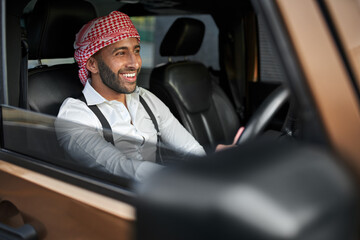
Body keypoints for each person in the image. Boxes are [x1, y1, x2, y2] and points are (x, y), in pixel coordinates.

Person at [56, 11, 206, 181]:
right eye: (120, 53)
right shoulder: (75, 114)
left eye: (136, 51)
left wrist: (212, 169)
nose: (134, 63)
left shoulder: (146, 98)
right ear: (92, 64)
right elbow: (119, 167)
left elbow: (189, 148)